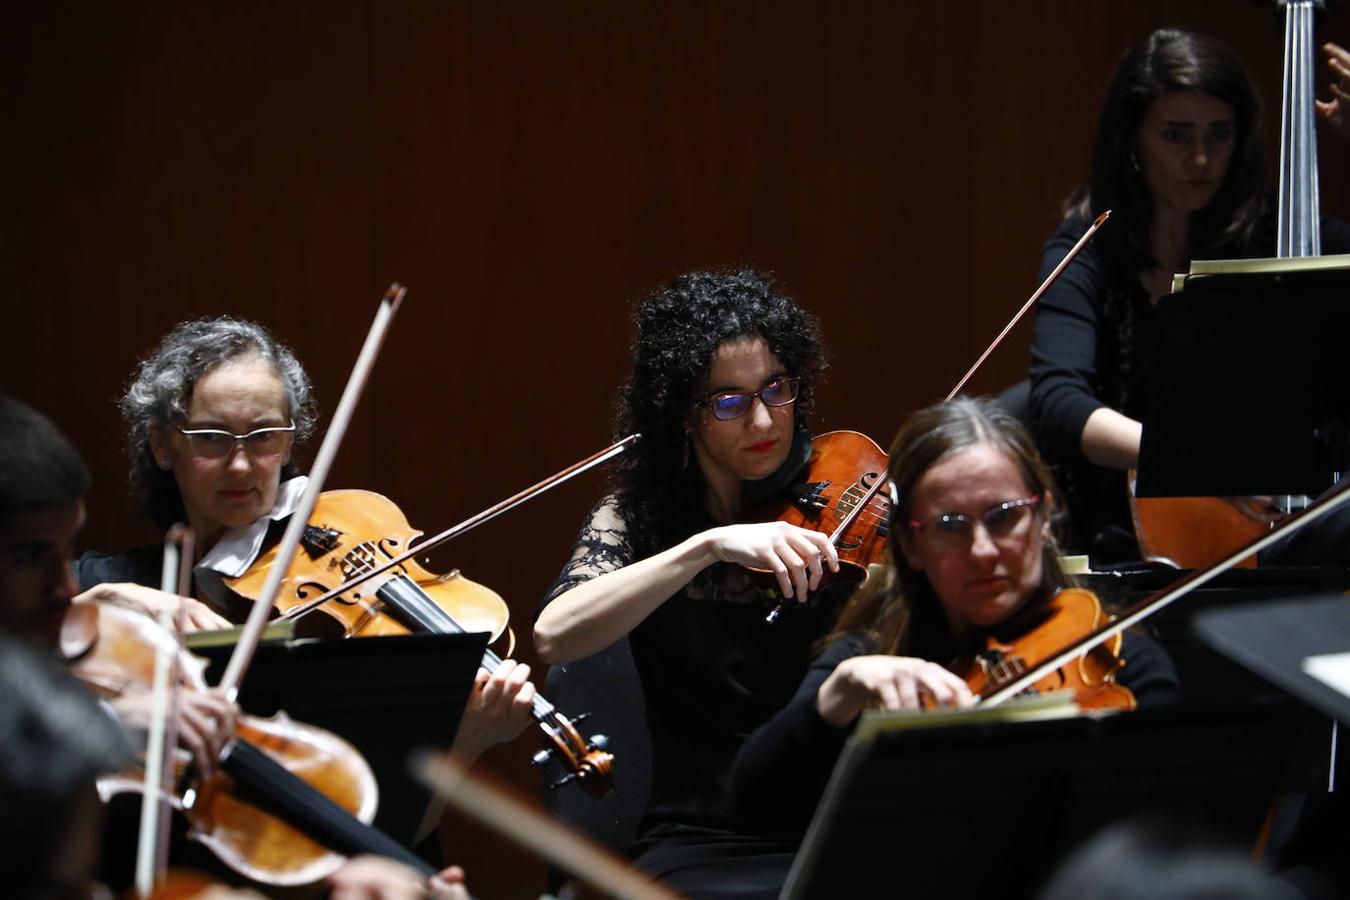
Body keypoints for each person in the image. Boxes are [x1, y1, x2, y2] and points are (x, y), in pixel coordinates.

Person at [73, 317, 535, 767]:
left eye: (264, 436)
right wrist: (110, 597)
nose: (240, 466)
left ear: (291, 441)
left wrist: (466, 742)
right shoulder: (117, 581)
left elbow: (383, 817)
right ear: (161, 445)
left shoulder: (334, 590)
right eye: (212, 438)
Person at [730, 397, 1180, 838]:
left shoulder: (1116, 658)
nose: (983, 551)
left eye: (1004, 518)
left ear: (1042, 517)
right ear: (910, 545)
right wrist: (833, 700)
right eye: (950, 525)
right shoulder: (870, 659)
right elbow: (753, 806)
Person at [533, 270, 849, 898]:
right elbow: (553, 636)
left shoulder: (839, 506)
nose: (762, 420)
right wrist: (705, 547)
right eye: (728, 402)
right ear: (683, 413)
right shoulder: (637, 520)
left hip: (830, 825)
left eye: (776, 389)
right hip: (701, 841)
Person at [1029, 30, 1350, 562]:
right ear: (1132, 137)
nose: (1201, 158)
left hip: (1272, 524)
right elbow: (1061, 403)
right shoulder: (1089, 246)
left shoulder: (1280, 236)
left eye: (1219, 135)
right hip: (1114, 533)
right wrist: (1194, 464)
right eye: (1176, 136)